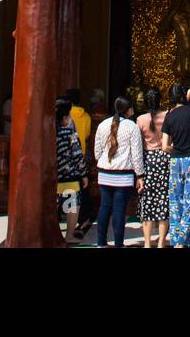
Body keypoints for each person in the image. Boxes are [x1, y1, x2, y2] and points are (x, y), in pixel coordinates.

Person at [93, 96, 145, 247]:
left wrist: (103, 162)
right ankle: (118, 244)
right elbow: (136, 154)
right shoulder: (132, 126)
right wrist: (140, 174)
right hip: (123, 174)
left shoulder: (103, 124)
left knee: (105, 206)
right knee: (119, 210)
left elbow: (97, 151)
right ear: (128, 110)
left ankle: (101, 242)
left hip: (104, 171)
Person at [162, 83, 190, 247]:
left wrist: (176, 149)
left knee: (175, 201)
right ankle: (181, 241)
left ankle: (178, 240)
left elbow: (164, 145)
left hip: (175, 160)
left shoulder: (169, 115)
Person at [135, 87, 170, 247]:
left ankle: (148, 243)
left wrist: (138, 173)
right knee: (163, 202)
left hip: (148, 160)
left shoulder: (141, 119)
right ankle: (162, 242)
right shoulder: (167, 116)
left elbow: (137, 144)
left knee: (147, 202)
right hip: (164, 159)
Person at [55, 98, 87, 245]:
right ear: (65, 118)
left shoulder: (50, 132)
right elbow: (77, 155)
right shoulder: (70, 134)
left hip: (54, 175)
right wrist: (84, 174)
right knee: (72, 206)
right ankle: (69, 235)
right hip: (70, 175)